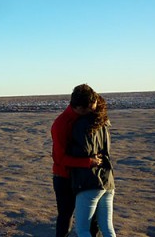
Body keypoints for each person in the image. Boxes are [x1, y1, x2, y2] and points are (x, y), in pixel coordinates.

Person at [51, 84, 102, 237]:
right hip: (65, 178)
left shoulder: (85, 119)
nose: (93, 111)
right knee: (65, 217)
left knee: (92, 218)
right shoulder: (60, 124)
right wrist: (88, 162)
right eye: (90, 109)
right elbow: (59, 159)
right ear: (79, 107)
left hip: (83, 177)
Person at [70, 93, 116, 237]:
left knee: (82, 229)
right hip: (108, 180)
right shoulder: (104, 124)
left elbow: (84, 150)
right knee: (107, 228)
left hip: (89, 181)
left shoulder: (82, 124)